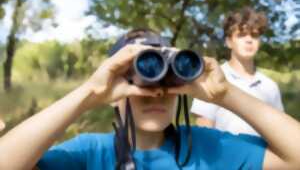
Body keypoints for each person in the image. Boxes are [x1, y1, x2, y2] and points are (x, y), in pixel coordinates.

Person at [0, 29, 300, 170]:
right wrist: (89, 94)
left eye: (165, 77)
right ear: (114, 87)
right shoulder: (89, 153)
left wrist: (226, 95)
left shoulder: (210, 148)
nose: (155, 90)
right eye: (137, 75)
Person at [190, 7, 284, 136]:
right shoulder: (211, 78)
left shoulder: (270, 86)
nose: (249, 40)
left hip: (265, 156)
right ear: (229, 42)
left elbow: (279, 132)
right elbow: (204, 133)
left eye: (255, 35)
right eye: (241, 35)